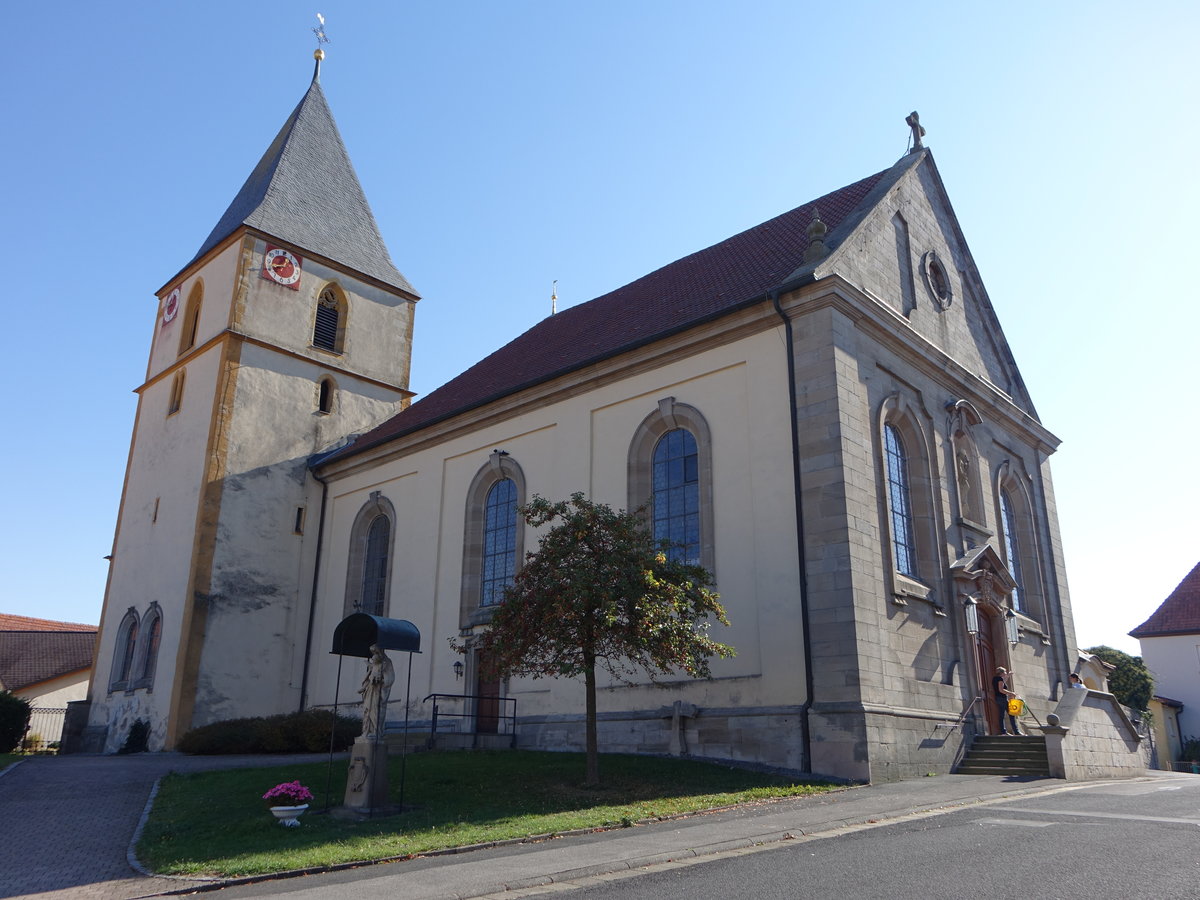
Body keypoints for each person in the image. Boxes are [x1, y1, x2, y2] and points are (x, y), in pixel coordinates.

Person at [358, 644, 394, 741]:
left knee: (375, 710)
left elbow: (390, 679)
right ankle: (366, 731)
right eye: (373, 653)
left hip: (378, 691)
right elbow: (368, 678)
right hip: (370, 691)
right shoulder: (374, 665)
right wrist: (364, 686)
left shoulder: (386, 663)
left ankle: (376, 731)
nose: (374, 655)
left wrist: (381, 681)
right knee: (367, 710)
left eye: (375, 652)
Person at [992, 666, 1022, 735]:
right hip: (1002, 699)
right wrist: (1011, 693)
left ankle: (1004, 732)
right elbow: (1001, 689)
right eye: (1005, 672)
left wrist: (1008, 675)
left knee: (1001, 715)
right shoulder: (1000, 679)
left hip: (998, 698)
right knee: (1011, 714)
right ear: (1001, 673)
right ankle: (1016, 732)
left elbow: (1003, 682)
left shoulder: (995, 679)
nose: (1005, 673)